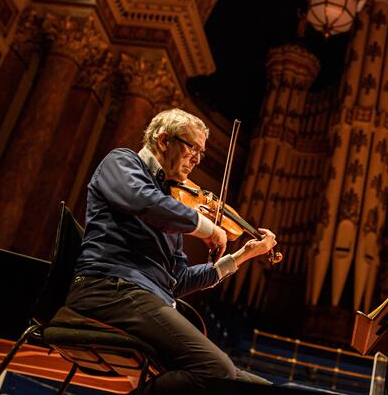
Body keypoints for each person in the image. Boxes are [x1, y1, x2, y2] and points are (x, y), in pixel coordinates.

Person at [53, 108, 276, 392]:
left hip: (143, 297)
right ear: (163, 140)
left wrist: (242, 256)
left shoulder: (171, 202)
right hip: (109, 289)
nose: (197, 159)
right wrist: (207, 227)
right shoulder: (122, 163)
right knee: (216, 369)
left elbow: (177, 280)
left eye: (201, 153)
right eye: (192, 147)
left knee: (251, 383)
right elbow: (143, 201)